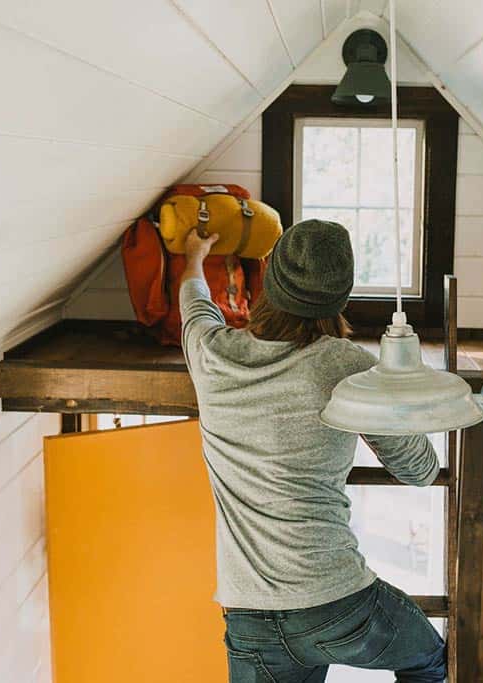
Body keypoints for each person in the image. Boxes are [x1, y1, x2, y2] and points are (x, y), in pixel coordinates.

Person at [180, 219, 446, 683]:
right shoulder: (347, 365)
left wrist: (194, 258)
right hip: (339, 607)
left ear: (269, 276)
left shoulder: (210, 353)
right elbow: (420, 471)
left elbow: (195, 303)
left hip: (250, 616)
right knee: (428, 661)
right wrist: (395, 388)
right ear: (341, 298)